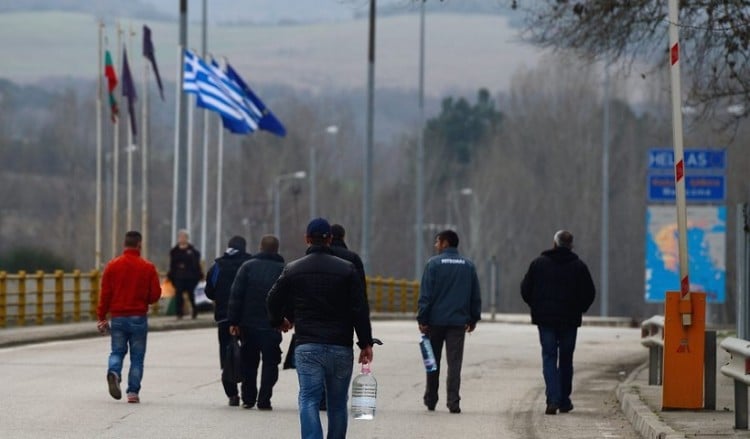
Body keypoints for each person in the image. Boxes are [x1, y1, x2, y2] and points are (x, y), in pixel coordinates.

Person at [267, 218, 373, 439]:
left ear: (307, 239)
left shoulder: (293, 269)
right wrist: (365, 343)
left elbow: (272, 298)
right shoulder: (348, 269)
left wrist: (279, 321)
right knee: (337, 404)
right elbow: (360, 308)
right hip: (340, 346)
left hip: (308, 345)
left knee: (308, 399)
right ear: (330, 239)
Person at [521, 230, 596, 415]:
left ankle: (552, 399)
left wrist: (537, 307)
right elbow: (590, 293)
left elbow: (525, 289)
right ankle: (564, 400)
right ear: (571, 246)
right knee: (566, 359)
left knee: (549, 356)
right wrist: (580, 309)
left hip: (545, 320)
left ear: (554, 243)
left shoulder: (538, 264)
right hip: (570, 321)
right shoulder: (579, 267)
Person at [417, 229, 481, 414]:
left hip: (434, 322)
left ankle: (431, 398)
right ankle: (453, 401)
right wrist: (473, 318)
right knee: (454, 363)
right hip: (457, 323)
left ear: (445, 243)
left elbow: (426, 295)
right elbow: (474, 295)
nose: (436, 246)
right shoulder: (468, 265)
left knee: (432, 361)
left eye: (437, 242)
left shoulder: (433, 264)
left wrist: (422, 318)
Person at [96, 230, 162, 404]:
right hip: (138, 317)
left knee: (117, 351)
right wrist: (144, 299)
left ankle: (114, 372)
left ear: (124, 245)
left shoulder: (112, 266)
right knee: (137, 357)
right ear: (139, 245)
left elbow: (105, 294)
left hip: (117, 317)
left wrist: (102, 316)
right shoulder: (148, 267)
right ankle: (133, 392)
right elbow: (155, 295)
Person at [227, 235, 286, 410]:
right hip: (272, 325)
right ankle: (264, 399)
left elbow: (236, 296)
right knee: (270, 363)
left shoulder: (247, 267)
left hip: (248, 324)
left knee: (249, 363)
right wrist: (287, 319)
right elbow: (288, 297)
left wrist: (234, 321)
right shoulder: (283, 270)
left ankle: (248, 398)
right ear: (277, 249)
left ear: (260, 247)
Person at [204, 235, 253, 407]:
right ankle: (249, 393)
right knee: (248, 355)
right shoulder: (250, 264)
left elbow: (209, 290)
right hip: (247, 318)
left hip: (224, 318)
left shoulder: (218, 265)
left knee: (227, 355)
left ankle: (232, 393)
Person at [167, 229, 203, 319]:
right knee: (178, 295)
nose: (182, 239)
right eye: (180, 237)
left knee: (191, 295)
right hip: (178, 276)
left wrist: (199, 275)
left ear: (187, 238)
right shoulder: (174, 251)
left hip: (190, 277)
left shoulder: (193, 251)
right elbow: (172, 265)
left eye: (184, 237)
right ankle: (179, 313)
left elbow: (196, 264)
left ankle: (194, 311)